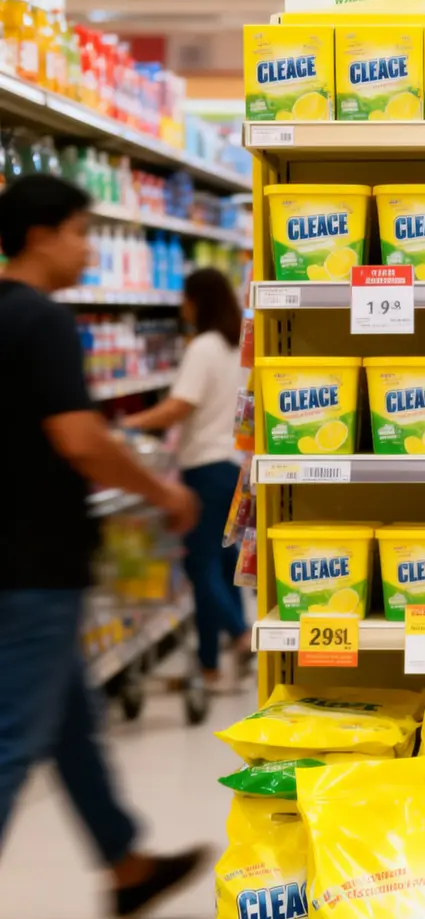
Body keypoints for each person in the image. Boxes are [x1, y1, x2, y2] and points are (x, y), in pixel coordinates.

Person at [0, 174, 208, 919]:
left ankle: (127, 867)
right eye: (81, 231)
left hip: (19, 557)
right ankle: (125, 864)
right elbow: (80, 439)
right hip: (34, 564)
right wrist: (163, 492)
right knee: (15, 737)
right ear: (41, 235)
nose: (89, 247)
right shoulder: (42, 320)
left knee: (67, 725)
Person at [124, 267, 247, 686]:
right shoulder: (236, 345)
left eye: (185, 300)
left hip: (205, 469)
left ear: (197, 302)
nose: (182, 308)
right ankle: (209, 667)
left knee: (199, 566)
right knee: (223, 562)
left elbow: (180, 405)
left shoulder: (204, 347)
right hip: (234, 465)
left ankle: (240, 633)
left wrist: (130, 424)